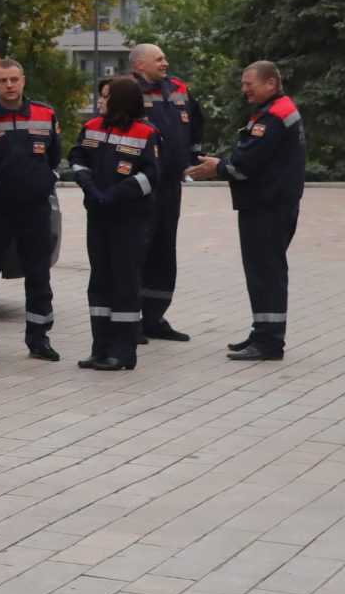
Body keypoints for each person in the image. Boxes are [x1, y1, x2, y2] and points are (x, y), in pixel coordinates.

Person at [189, 61, 306, 361]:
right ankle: (263, 331)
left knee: (266, 271)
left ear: (270, 83)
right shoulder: (276, 110)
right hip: (272, 202)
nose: (244, 89)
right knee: (263, 270)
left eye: (248, 83)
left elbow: (247, 163)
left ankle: (269, 341)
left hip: (267, 204)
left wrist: (218, 167)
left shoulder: (274, 117)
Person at [0, 60, 63, 361]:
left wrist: (45, 182)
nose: (9, 86)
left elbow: (54, 156)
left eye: (14, 80)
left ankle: (39, 339)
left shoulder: (45, 113)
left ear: (23, 80)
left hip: (34, 209)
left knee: (38, 274)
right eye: (3, 80)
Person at [70, 74, 161, 370]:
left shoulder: (146, 132)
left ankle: (123, 352)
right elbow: (78, 158)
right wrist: (90, 188)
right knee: (99, 283)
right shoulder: (92, 127)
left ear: (121, 100)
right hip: (98, 216)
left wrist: (116, 195)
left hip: (129, 220)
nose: (100, 101)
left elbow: (150, 176)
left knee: (124, 283)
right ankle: (100, 348)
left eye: (105, 96)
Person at [128, 42, 203, 342]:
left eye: (164, 58)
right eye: (158, 59)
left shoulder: (178, 88)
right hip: (143, 188)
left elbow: (195, 122)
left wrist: (192, 157)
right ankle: (130, 319)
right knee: (137, 252)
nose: (165, 63)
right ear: (140, 65)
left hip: (171, 187)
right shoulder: (127, 91)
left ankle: (154, 317)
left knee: (163, 251)